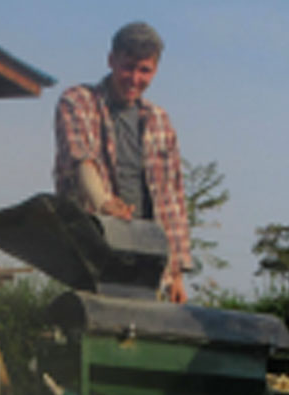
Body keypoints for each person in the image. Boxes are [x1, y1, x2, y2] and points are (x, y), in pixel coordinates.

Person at [54, 21, 191, 304]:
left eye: (145, 71)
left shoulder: (160, 121)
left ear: (155, 70)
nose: (134, 78)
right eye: (128, 67)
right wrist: (104, 202)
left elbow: (173, 197)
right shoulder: (78, 101)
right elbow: (81, 158)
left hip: (145, 254)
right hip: (94, 248)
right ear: (111, 60)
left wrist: (175, 273)